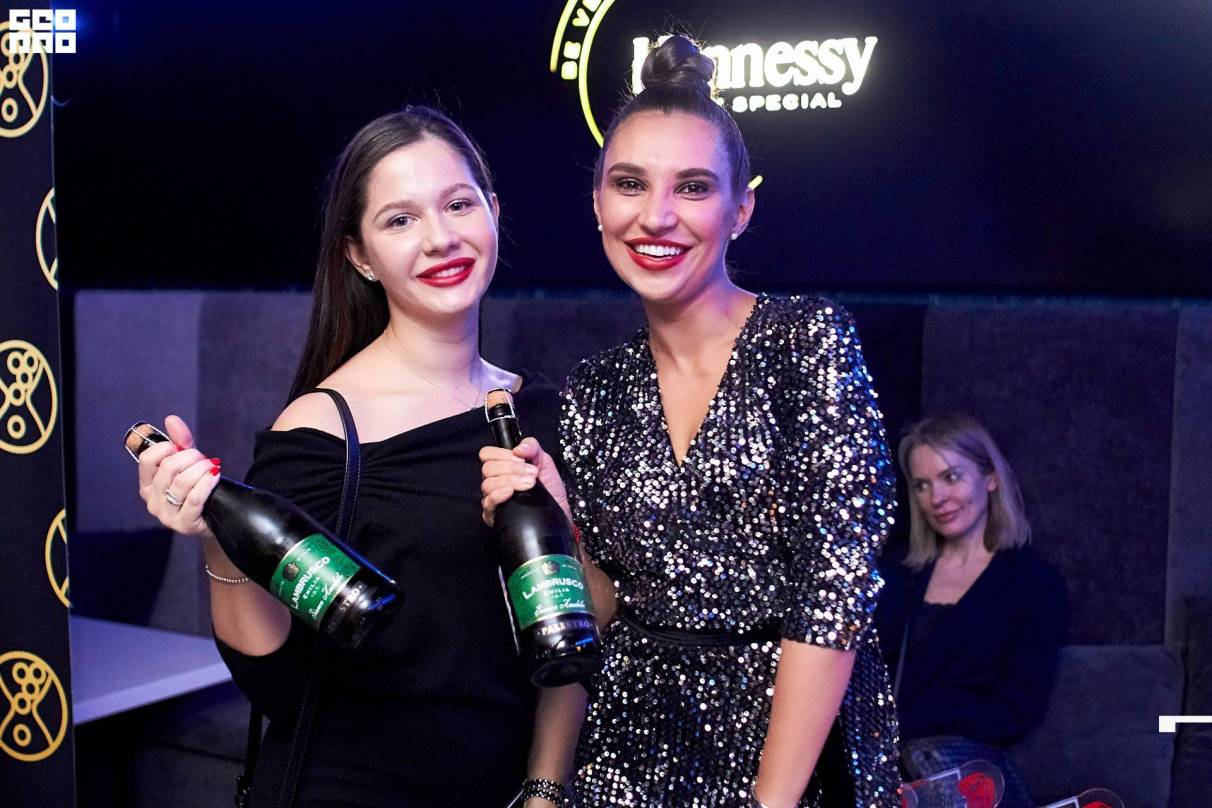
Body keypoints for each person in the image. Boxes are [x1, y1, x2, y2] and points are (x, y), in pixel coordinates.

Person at [481, 35, 901, 807]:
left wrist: (770, 802)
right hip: (628, 757)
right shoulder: (595, 390)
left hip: (790, 763)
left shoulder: (806, 342)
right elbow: (605, 610)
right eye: (630, 184)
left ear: (741, 210)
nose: (657, 216)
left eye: (695, 188)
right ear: (598, 205)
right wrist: (562, 526)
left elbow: (833, 597)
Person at [134, 106, 592, 807]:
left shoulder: (542, 415)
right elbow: (277, 685)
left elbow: (579, 639)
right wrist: (218, 539)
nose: (440, 238)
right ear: (359, 255)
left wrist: (544, 790)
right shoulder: (322, 430)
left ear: (494, 213)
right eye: (400, 220)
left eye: (458, 205)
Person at [874, 414, 1067, 808]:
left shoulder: (1032, 584)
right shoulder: (898, 576)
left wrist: (908, 721)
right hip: (882, 770)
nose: (936, 498)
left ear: (990, 478)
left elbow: (1016, 710)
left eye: (951, 477)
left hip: (964, 777)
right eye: (922, 485)